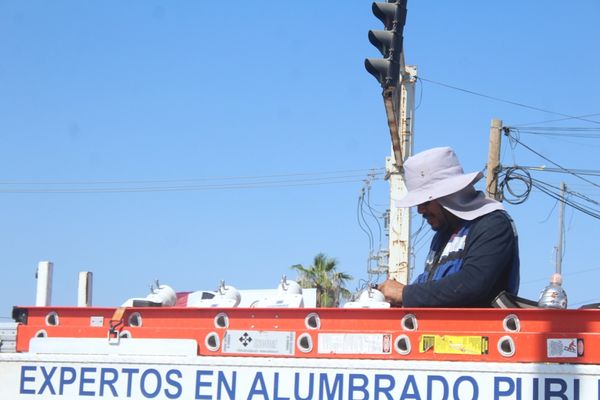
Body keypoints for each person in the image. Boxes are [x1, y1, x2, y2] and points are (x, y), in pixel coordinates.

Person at [378, 147, 519, 307]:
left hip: (479, 331)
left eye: (425, 202)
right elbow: (431, 287)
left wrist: (405, 293)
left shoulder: (492, 224)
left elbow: (472, 284)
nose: (420, 210)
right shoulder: (444, 235)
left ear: (448, 195)